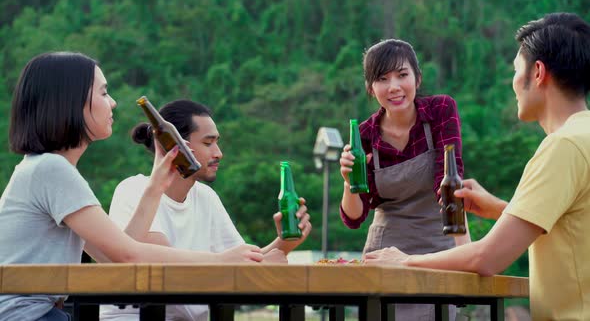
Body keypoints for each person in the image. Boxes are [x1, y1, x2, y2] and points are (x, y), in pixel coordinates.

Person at [0, 52, 263, 321]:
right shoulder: (51, 170)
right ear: (70, 101)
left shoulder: (45, 169)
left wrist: (156, 187)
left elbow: (116, 258)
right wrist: (220, 261)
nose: (113, 103)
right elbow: (128, 255)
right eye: (103, 93)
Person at [365, 12, 590, 321]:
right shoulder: (584, 137)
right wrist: (501, 208)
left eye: (515, 69)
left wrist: (403, 261)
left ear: (537, 72)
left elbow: (487, 257)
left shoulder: (562, 146)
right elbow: (573, 225)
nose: (512, 83)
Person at [100, 99, 312, 321]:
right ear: (176, 146)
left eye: (217, 143)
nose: (219, 153)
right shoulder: (134, 189)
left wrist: (285, 242)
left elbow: (241, 262)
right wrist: (228, 263)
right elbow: (161, 267)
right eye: (208, 143)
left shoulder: (206, 197)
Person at [338, 38, 470, 320]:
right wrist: (349, 181)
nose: (394, 87)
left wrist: (468, 257)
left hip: (438, 250)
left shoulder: (440, 111)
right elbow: (353, 218)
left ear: (417, 78)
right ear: (371, 88)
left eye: (402, 75)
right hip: (384, 252)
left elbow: (450, 185)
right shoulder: (364, 136)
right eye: (382, 79)